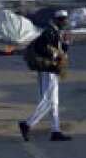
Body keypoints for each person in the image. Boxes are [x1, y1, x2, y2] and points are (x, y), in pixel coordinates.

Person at [20, 9, 72, 142]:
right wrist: (55, 55)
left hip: (52, 70)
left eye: (65, 20)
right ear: (57, 20)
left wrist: (65, 44)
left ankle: (56, 131)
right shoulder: (49, 32)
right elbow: (41, 49)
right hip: (48, 70)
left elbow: (61, 49)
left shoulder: (56, 32)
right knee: (48, 102)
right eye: (62, 20)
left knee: (54, 103)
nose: (64, 23)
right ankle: (27, 124)